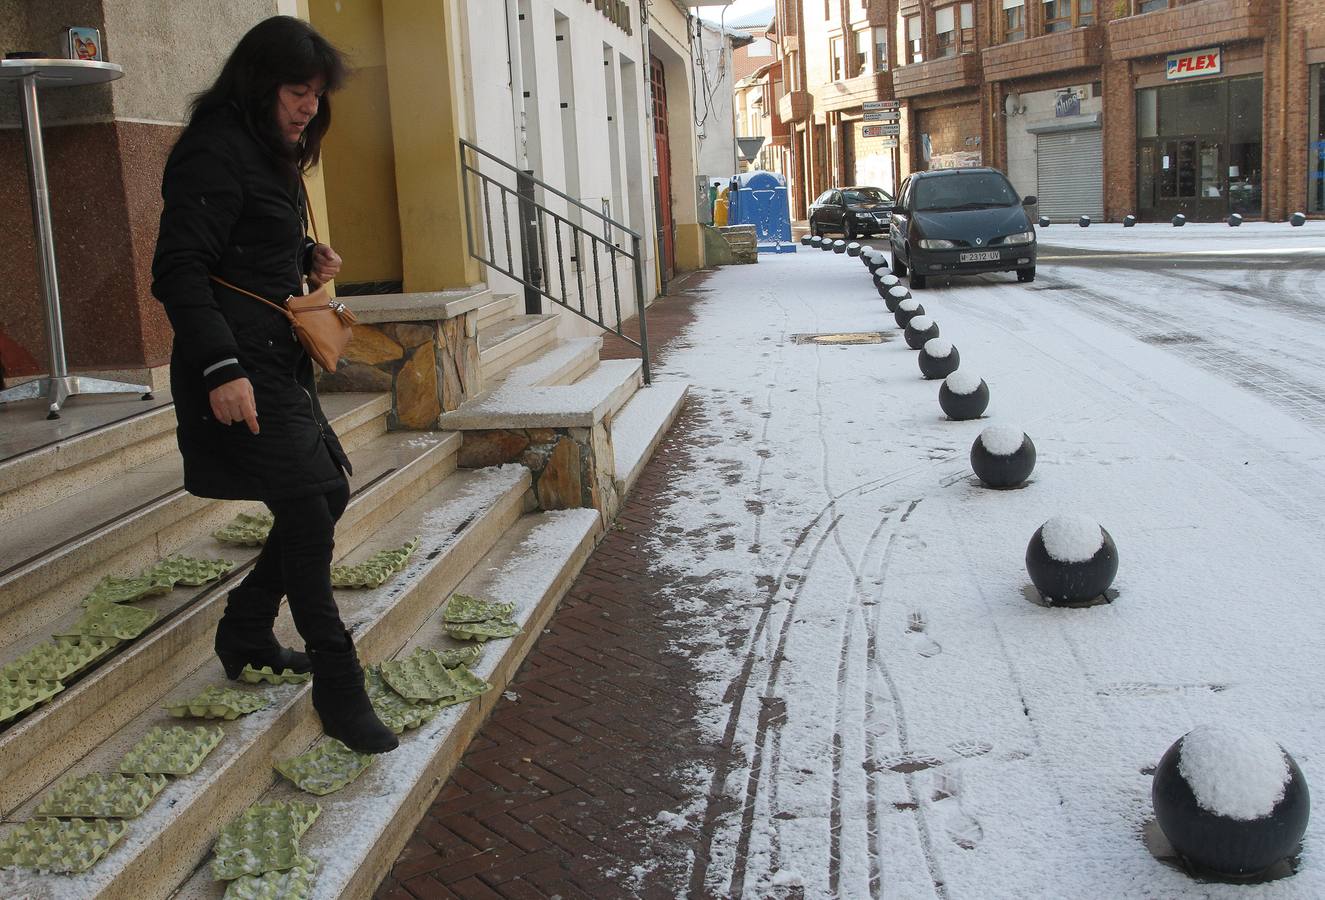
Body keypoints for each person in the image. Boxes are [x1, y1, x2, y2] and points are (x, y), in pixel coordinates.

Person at [151, 16, 396, 754]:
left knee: (325, 492)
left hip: (276, 357)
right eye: (297, 91)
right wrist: (220, 370)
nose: (307, 108)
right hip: (234, 362)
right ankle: (337, 681)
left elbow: (243, 243)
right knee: (307, 503)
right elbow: (178, 271)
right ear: (260, 83)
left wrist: (300, 251)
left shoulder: (268, 152)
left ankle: (246, 629)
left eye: (316, 96)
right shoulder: (212, 151)